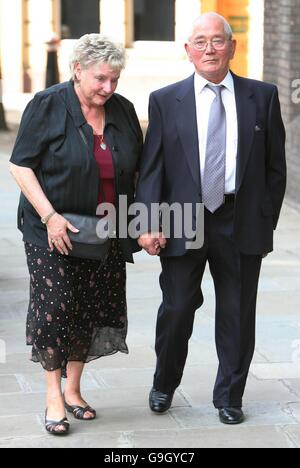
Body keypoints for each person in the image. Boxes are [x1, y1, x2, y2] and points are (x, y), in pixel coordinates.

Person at [136, 13, 286, 425]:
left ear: (232, 48)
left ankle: (229, 396)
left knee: (238, 312)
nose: (209, 49)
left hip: (240, 218)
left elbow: (276, 168)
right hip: (182, 217)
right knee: (178, 306)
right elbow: (151, 169)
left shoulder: (263, 96)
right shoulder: (166, 100)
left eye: (217, 41)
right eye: (200, 41)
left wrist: (264, 219)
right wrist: (148, 222)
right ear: (188, 51)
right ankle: (164, 383)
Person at [9, 34, 143, 435]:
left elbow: (135, 172)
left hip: (104, 232)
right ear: (78, 70)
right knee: (57, 310)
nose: (108, 88)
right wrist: (49, 215)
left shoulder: (123, 110)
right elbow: (20, 166)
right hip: (52, 231)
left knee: (88, 308)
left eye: (114, 80)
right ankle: (53, 396)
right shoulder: (48, 105)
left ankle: (74, 390)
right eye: (101, 79)